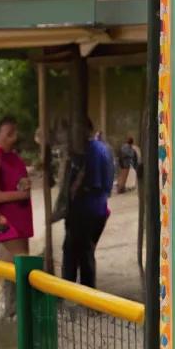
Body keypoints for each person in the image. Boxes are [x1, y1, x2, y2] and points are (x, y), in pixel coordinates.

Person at [63, 119, 115, 287]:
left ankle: (73, 292)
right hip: (99, 208)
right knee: (84, 251)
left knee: (76, 253)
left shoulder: (92, 150)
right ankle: (82, 293)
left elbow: (91, 183)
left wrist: (74, 191)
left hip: (87, 209)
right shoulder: (104, 148)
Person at [0, 118, 34, 258]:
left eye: (15, 133)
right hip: (6, 220)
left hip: (21, 218)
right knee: (22, 263)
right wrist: (21, 195)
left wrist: (23, 183)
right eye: (9, 133)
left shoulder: (12, 155)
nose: (14, 137)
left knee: (20, 265)